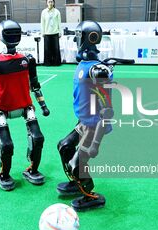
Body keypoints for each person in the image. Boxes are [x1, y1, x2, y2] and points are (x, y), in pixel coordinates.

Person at [0, 20, 50, 191]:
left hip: (26, 105)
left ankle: (32, 169)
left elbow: (35, 85)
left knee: (38, 138)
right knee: (6, 144)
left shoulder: (27, 60)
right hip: (2, 109)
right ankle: (4, 173)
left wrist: (43, 105)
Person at [56, 20, 116, 211]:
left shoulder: (97, 71)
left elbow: (107, 110)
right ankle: (77, 182)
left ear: (88, 38)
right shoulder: (86, 64)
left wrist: (96, 143)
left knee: (77, 163)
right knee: (64, 146)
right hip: (84, 121)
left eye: (79, 36)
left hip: (94, 125)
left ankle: (91, 195)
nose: (76, 40)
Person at [41, 0, 61, 66]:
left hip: (55, 33)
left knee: (56, 49)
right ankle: (47, 63)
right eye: (49, 2)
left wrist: (60, 32)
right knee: (47, 49)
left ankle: (56, 63)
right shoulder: (43, 12)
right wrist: (42, 32)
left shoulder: (57, 12)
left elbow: (59, 23)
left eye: (52, 2)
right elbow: (42, 23)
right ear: (46, 3)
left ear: (54, 3)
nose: (50, 3)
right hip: (47, 33)